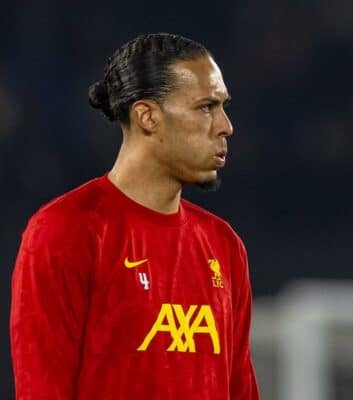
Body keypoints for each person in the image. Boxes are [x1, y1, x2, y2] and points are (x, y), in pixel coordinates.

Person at [10, 33, 259, 400]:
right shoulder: (65, 231)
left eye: (223, 106)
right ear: (147, 116)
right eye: (206, 107)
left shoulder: (223, 245)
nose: (225, 126)